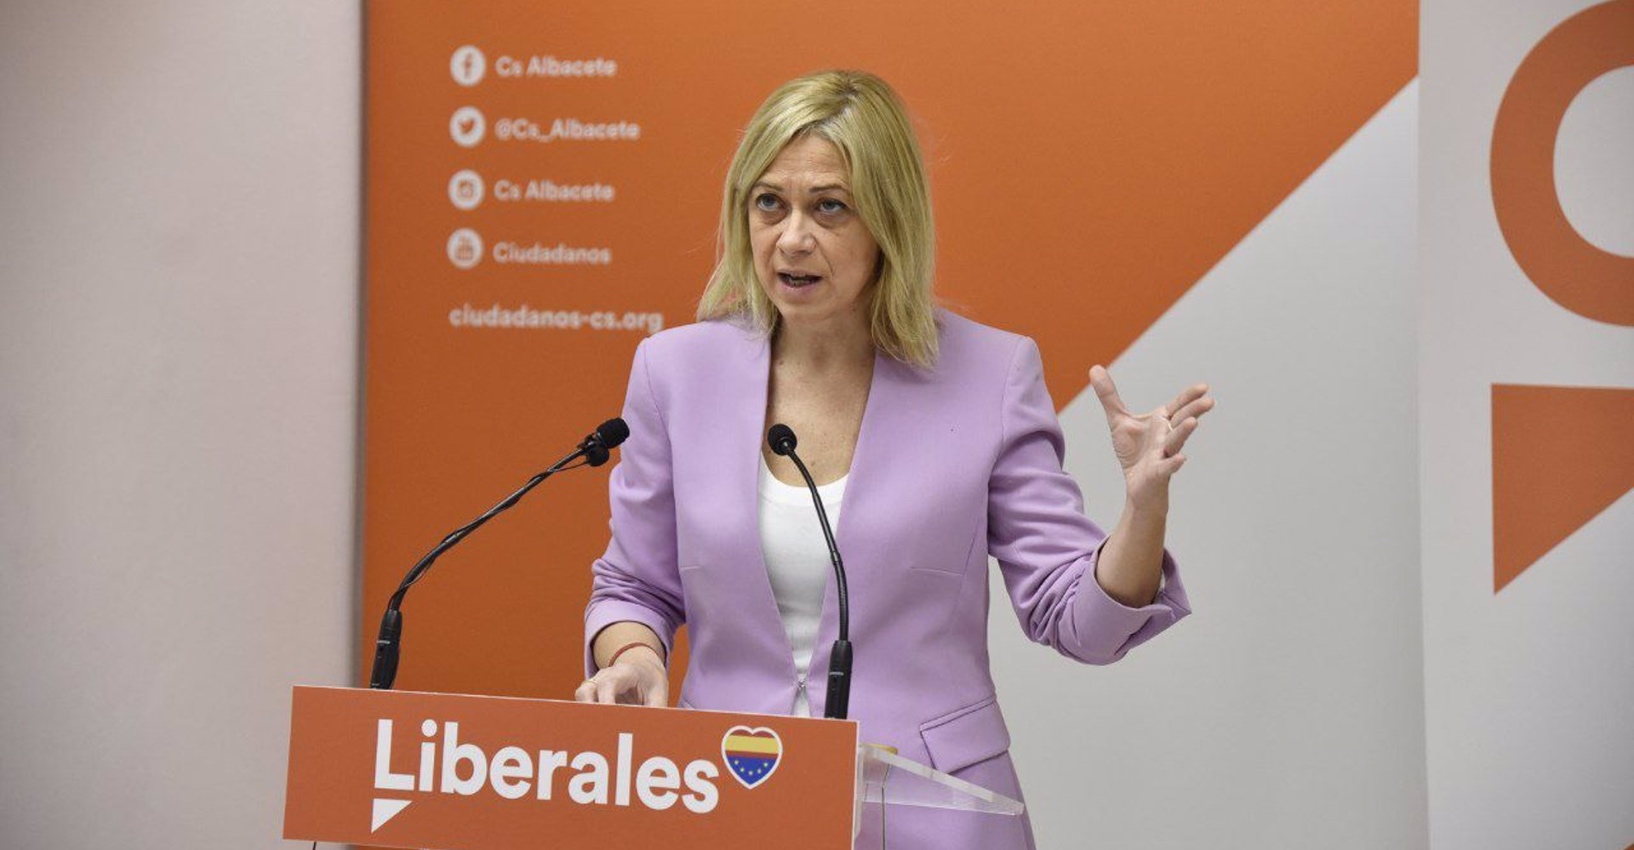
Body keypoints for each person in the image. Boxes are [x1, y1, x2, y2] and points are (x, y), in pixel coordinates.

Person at [575, 70, 1211, 849]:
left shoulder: (989, 375)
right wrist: (636, 657)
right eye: (769, 203)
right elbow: (634, 585)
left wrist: (1143, 509)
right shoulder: (675, 373)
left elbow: (1075, 619)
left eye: (829, 206)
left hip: (932, 812)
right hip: (725, 797)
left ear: (889, 221)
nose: (792, 237)